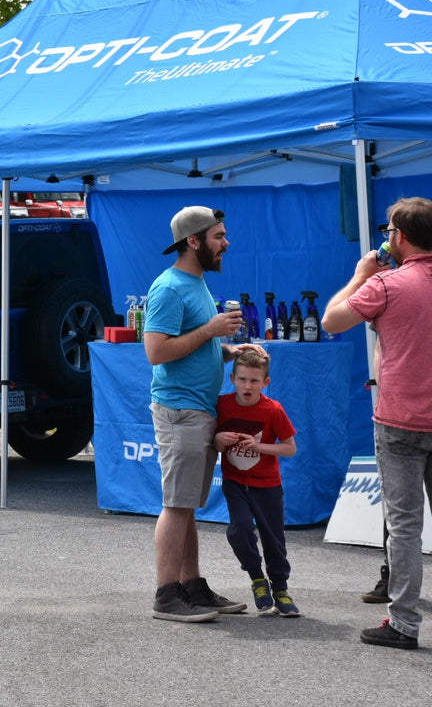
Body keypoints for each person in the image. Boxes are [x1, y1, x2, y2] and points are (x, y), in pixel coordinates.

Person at [321, 196, 432, 650]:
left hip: (401, 421)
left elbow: (331, 321)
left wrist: (361, 276)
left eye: (389, 231)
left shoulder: (388, 285)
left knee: (404, 526)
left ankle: (404, 623)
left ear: (399, 235)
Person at [143, 206, 262, 622]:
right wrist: (211, 331)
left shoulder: (196, 284)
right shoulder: (170, 288)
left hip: (198, 410)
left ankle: (192, 586)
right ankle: (165, 595)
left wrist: (233, 352)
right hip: (180, 411)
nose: (226, 243)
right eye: (219, 236)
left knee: (187, 503)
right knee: (177, 505)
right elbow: (156, 352)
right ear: (194, 241)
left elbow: (193, 345)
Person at [214, 349, 300, 617]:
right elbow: (211, 439)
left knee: (273, 539)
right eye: (242, 379)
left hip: (268, 486)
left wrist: (261, 446)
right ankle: (257, 579)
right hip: (236, 482)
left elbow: (290, 448)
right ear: (232, 378)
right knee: (239, 530)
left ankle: (281, 589)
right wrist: (218, 441)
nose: (247, 386)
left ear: (266, 383)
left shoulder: (273, 410)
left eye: (254, 381)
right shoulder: (223, 405)